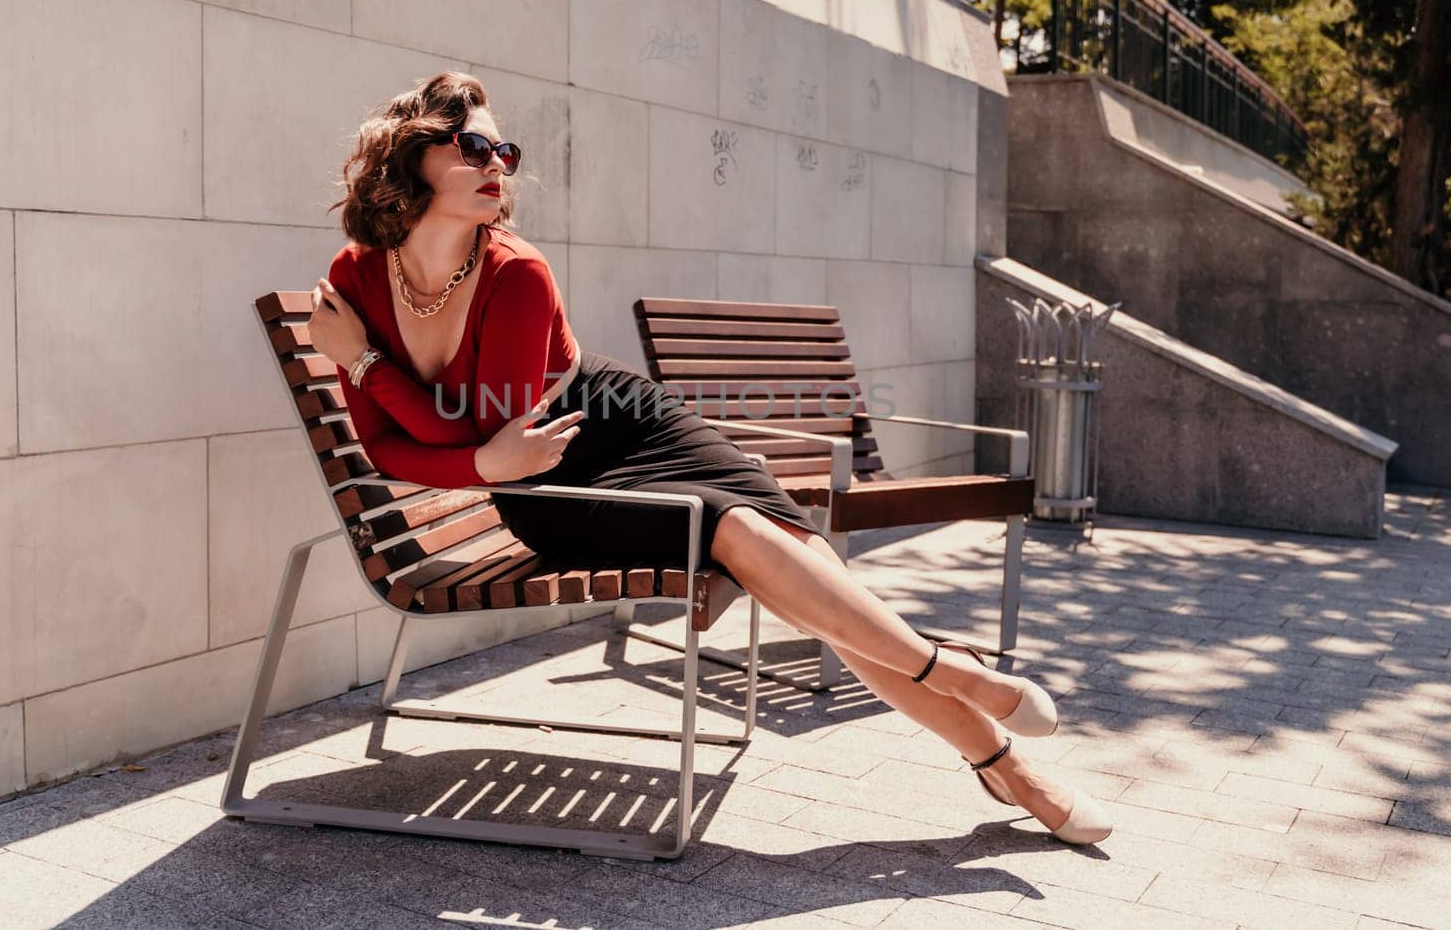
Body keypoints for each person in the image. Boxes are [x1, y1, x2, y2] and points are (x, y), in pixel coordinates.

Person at [307, 70, 1112, 846]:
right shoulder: (356, 279)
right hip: (556, 486)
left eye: (504, 154)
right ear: (410, 156)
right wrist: (466, 449)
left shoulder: (516, 273)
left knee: (797, 557)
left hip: (624, 423)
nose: (499, 169)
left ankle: (989, 742)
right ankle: (973, 702)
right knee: (734, 530)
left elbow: (469, 436)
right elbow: (396, 446)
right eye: (474, 150)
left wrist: (375, 374)